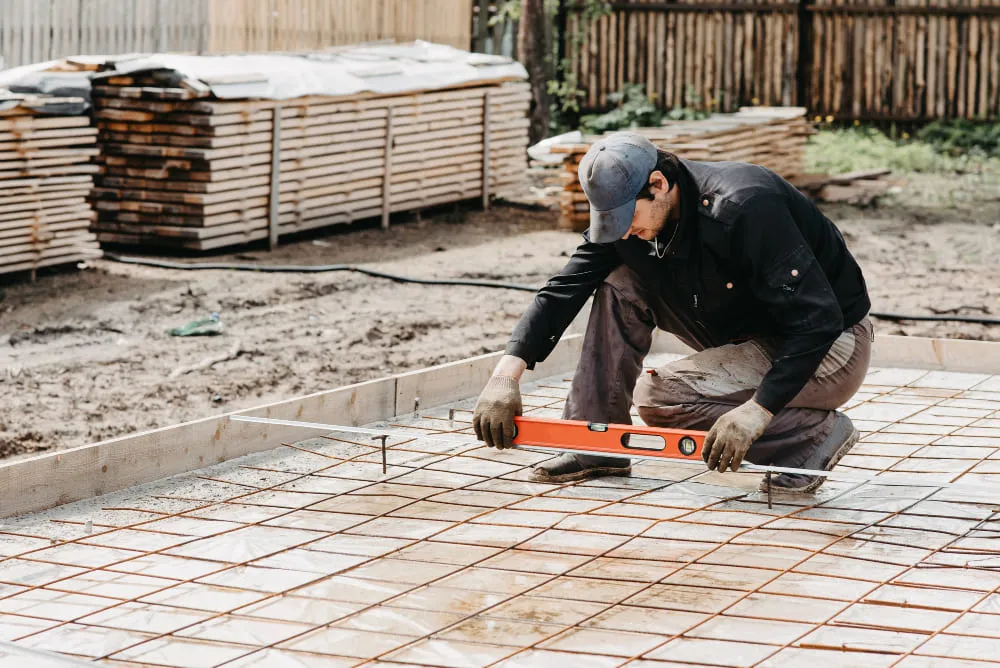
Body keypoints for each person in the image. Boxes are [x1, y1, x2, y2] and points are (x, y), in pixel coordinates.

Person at [472, 131, 872, 493]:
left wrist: (758, 409)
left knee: (662, 398)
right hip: (744, 329)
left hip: (831, 345)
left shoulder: (746, 204)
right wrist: (506, 375)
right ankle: (595, 445)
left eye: (628, 218)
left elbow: (818, 319)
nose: (624, 231)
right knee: (620, 282)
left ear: (659, 184)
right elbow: (563, 289)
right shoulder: (632, 222)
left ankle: (814, 435)